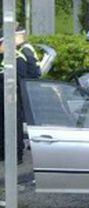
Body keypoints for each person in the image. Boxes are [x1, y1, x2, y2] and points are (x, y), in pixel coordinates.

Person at [0, 26, 41, 162]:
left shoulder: (20, 53)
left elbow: (25, 76)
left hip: (14, 95)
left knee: (14, 124)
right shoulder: (18, 52)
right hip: (12, 94)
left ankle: (16, 155)